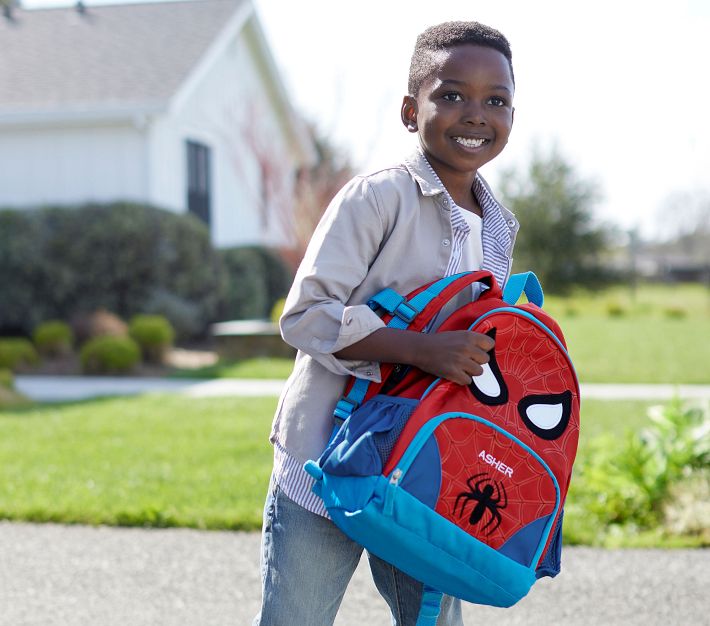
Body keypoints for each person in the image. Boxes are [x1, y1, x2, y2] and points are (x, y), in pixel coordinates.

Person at [254, 20, 519, 626]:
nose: (474, 114)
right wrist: (421, 350)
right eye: (451, 94)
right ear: (410, 110)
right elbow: (305, 315)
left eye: (495, 99)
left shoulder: (500, 226)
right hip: (324, 460)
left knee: (433, 620)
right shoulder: (375, 199)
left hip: (421, 474)